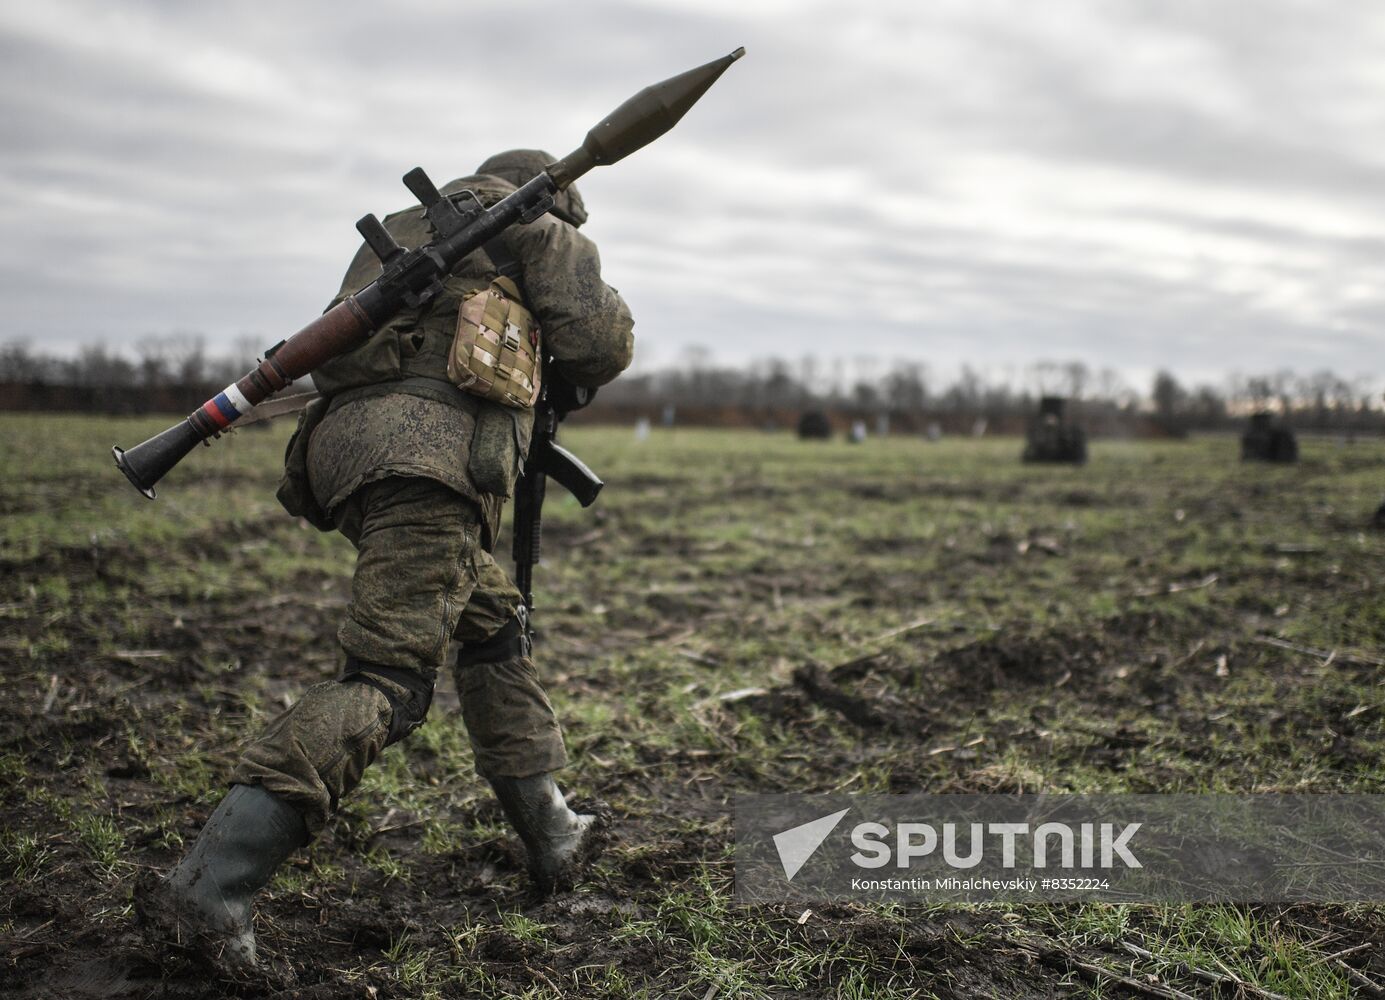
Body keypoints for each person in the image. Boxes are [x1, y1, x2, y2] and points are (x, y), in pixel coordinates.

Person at [143, 150, 634, 970]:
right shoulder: (544, 229)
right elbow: (600, 345)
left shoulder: (407, 228)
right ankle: (212, 888)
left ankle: (554, 830)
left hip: (340, 456)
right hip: (430, 464)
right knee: (389, 682)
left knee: (489, 625)